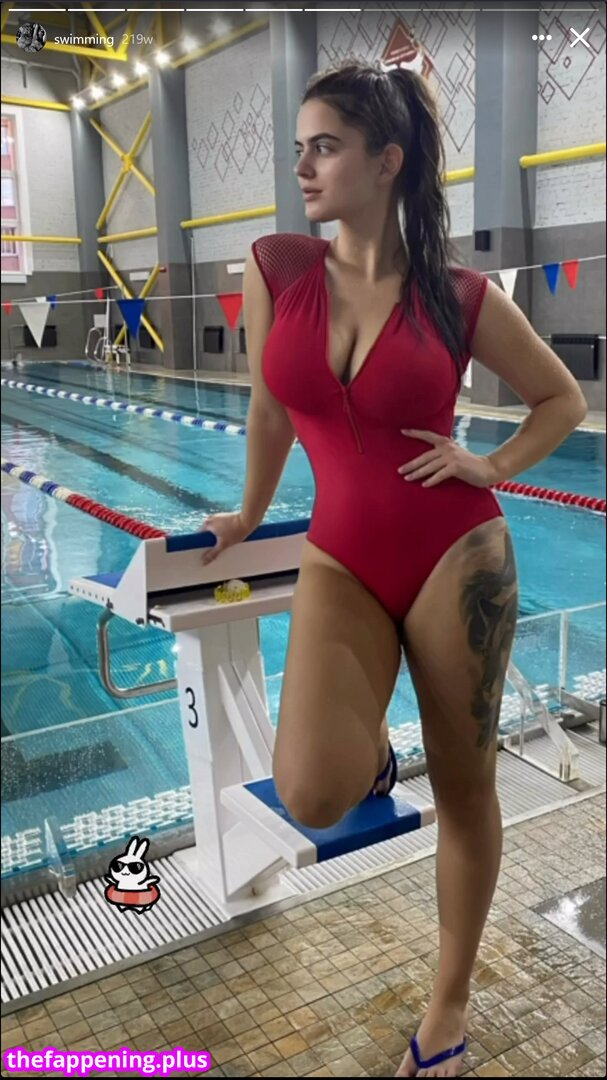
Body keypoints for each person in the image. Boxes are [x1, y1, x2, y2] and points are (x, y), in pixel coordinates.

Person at [200, 60, 587, 1079]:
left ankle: (447, 1001)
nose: (302, 167)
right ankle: (372, 749)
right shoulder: (277, 268)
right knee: (311, 789)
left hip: (455, 553)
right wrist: (248, 513)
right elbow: (268, 409)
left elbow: (560, 399)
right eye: (298, 148)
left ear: (386, 161)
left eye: (324, 147)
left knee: (463, 787)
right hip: (340, 553)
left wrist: (490, 464)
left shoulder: (457, 296)